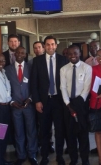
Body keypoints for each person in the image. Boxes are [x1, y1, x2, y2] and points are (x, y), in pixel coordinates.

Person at [31, 35, 67, 165]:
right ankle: (45, 157)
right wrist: (37, 101)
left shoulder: (63, 60)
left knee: (59, 130)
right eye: (48, 44)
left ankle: (59, 156)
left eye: (52, 44)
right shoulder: (37, 61)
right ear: (44, 46)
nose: (50, 47)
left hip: (59, 101)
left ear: (56, 45)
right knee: (44, 131)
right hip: (43, 101)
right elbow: (34, 84)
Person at [5, 47, 38, 165]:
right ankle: (21, 155)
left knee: (31, 131)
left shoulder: (31, 68)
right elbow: (5, 87)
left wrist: (30, 99)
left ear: (25, 55)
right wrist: (11, 101)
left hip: (28, 105)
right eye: (17, 52)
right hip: (15, 106)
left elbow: (35, 85)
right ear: (14, 54)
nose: (19, 54)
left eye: (22, 53)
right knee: (18, 132)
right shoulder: (7, 69)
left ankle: (32, 154)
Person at [60, 45, 92, 165]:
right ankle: (73, 159)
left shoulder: (87, 68)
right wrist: (68, 104)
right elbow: (62, 87)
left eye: (75, 53)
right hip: (68, 105)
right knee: (70, 133)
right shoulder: (63, 69)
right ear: (67, 55)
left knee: (83, 133)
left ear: (80, 54)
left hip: (81, 104)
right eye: (70, 54)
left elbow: (87, 87)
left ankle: (85, 159)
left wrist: (78, 102)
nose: (73, 56)